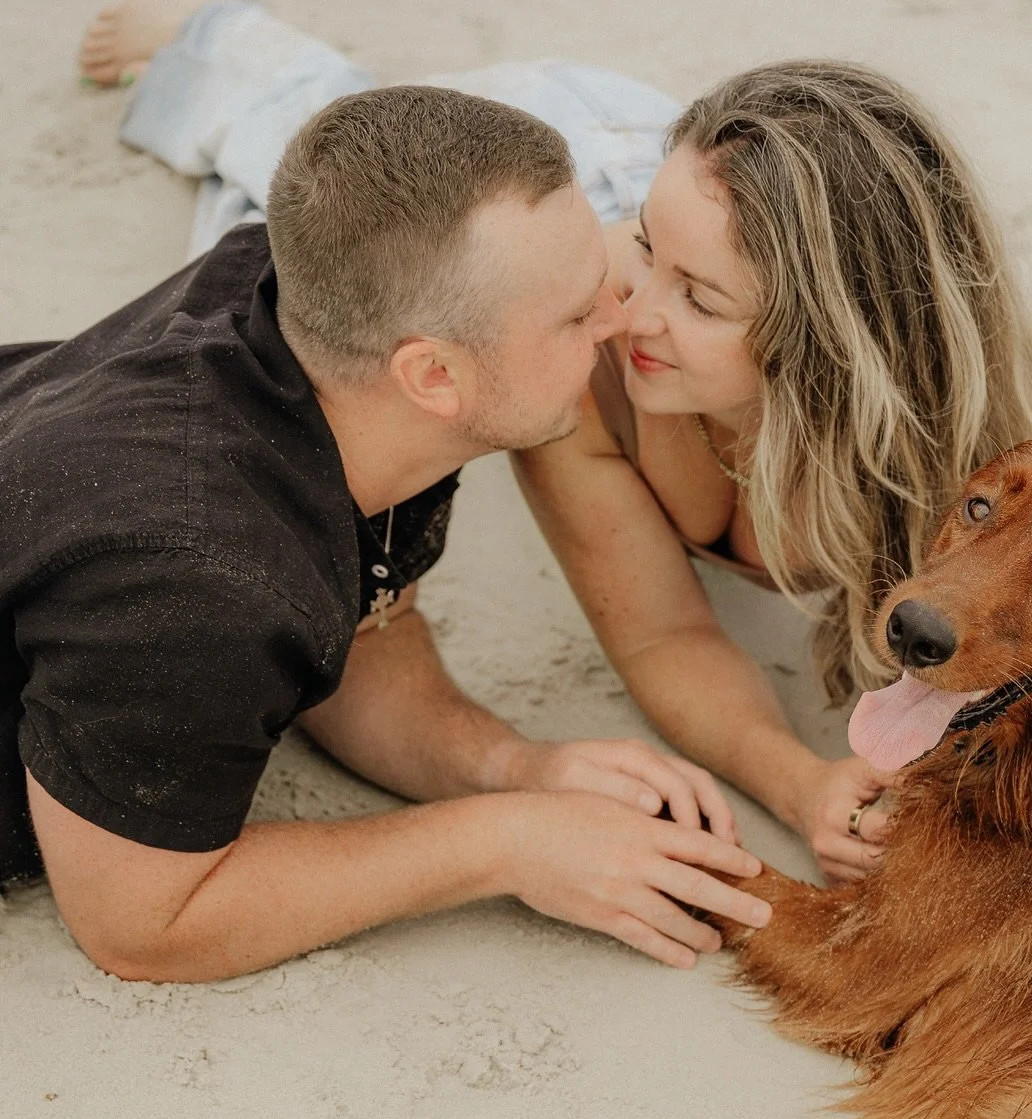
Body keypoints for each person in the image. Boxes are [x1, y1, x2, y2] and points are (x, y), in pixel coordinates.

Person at [79, 4, 1032, 883]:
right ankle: (219, 36)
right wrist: (799, 777)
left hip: (678, 188)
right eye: (647, 262)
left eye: (696, 300)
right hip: (581, 159)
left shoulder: (985, 459)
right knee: (303, 210)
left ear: (832, 341)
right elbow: (662, 634)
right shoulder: (572, 345)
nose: (625, 314)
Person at [2, 80, 773, 983]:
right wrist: (505, 843)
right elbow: (143, 924)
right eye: (578, 314)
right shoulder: (201, 574)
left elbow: (365, 625)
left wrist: (512, 767)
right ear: (433, 375)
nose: (622, 321)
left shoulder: (335, 335)